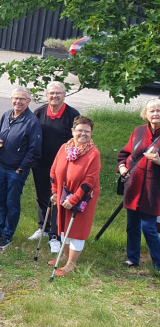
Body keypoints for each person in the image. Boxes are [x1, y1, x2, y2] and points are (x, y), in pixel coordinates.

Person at [0, 86, 42, 248]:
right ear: (11, 99)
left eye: (22, 99)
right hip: (2, 167)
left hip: (17, 170)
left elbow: (35, 150)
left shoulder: (32, 122)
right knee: (0, 200)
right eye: (16, 98)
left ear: (28, 101)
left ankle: (7, 235)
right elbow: (2, 134)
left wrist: (20, 169)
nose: (18, 102)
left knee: (12, 203)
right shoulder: (7, 115)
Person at [29, 82, 81, 254]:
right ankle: (41, 227)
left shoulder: (72, 114)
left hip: (62, 165)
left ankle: (55, 231)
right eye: (51, 93)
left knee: (58, 196)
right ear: (46, 95)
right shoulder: (39, 112)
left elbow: (77, 139)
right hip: (40, 162)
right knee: (41, 195)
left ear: (64, 95)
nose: (54, 96)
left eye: (58, 93)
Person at [49, 116, 101, 276]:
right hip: (63, 193)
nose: (83, 134)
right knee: (63, 225)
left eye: (87, 131)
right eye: (80, 130)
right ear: (73, 131)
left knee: (77, 228)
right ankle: (65, 255)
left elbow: (89, 181)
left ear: (91, 133)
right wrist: (55, 191)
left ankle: (71, 263)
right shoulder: (64, 147)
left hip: (83, 195)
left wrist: (74, 199)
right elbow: (54, 170)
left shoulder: (93, 153)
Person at [117, 98, 160, 271]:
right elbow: (125, 153)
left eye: (159, 110)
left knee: (148, 227)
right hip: (133, 185)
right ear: (146, 114)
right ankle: (132, 258)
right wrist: (121, 167)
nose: (155, 114)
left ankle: (158, 262)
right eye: (152, 111)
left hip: (154, 189)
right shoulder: (138, 131)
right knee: (132, 225)